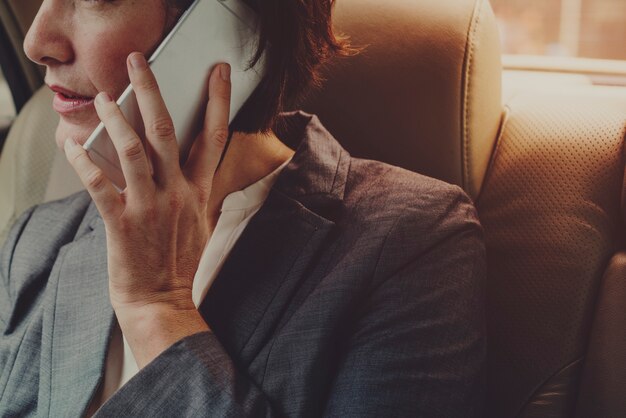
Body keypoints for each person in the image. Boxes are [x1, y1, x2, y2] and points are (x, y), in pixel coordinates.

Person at [0, 0, 487, 416]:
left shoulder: (412, 242)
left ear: (229, 25)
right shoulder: (36, 240)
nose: (38, 41)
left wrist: (159, 309)